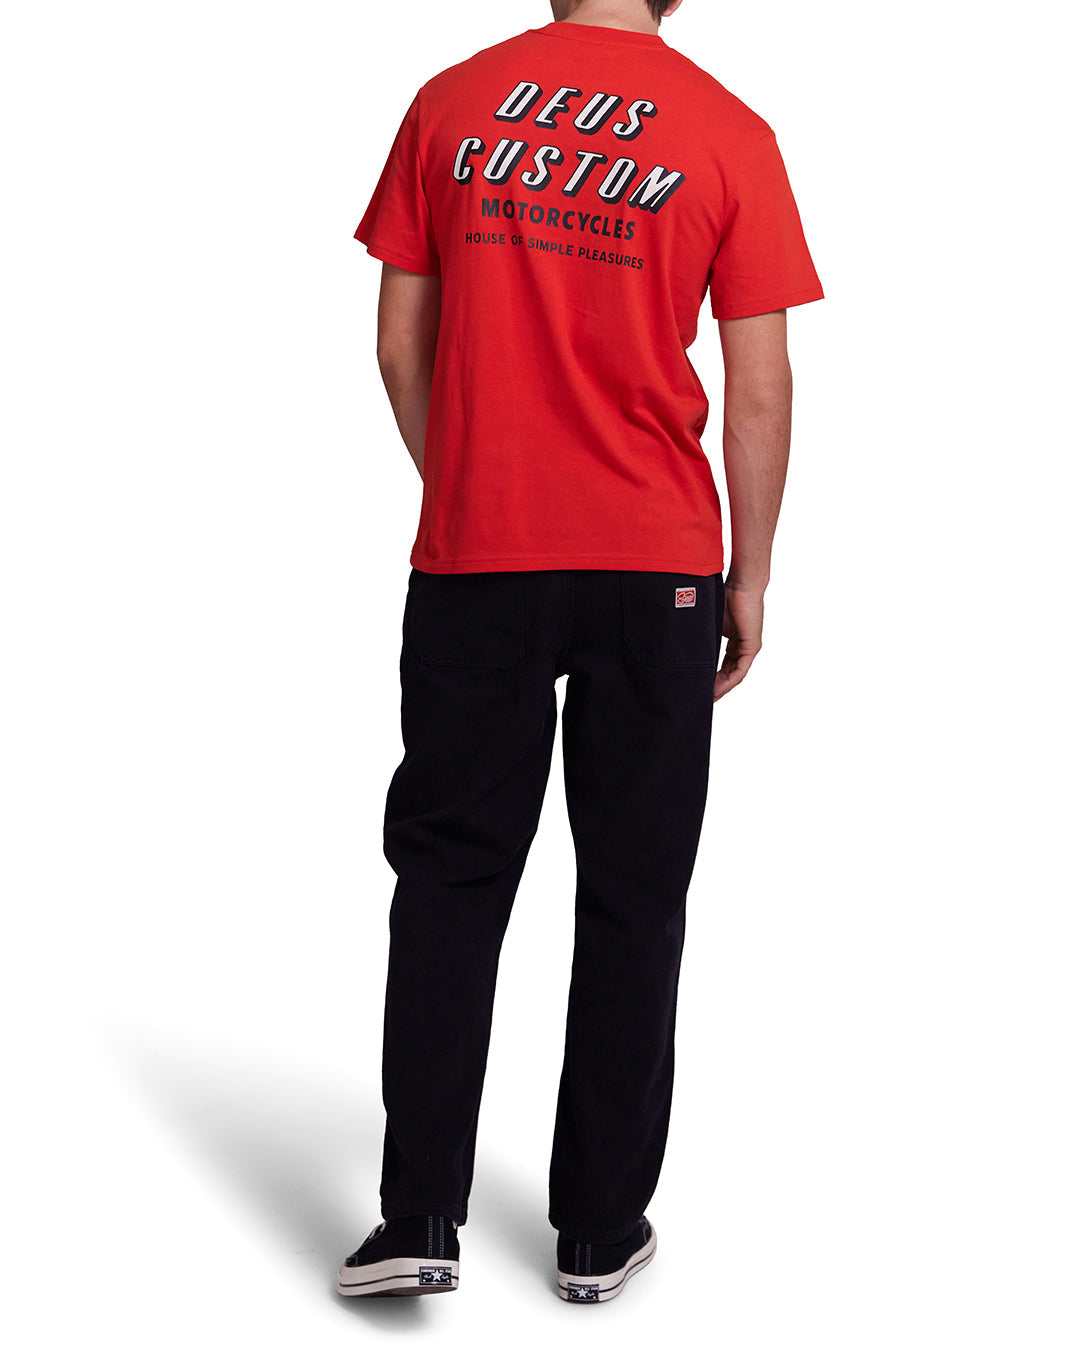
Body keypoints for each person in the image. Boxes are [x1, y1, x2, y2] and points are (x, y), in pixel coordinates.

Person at [338, 0, 823, 1303]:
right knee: (633, 891)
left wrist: (477, 486)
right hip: (656, 566)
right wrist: (750, 574)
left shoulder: (450, 103)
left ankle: (417, 1217)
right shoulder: (729, 132)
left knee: (450, 880)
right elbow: (762, 381)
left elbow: (396, 344)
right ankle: (601, 1230)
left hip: (479, 557)